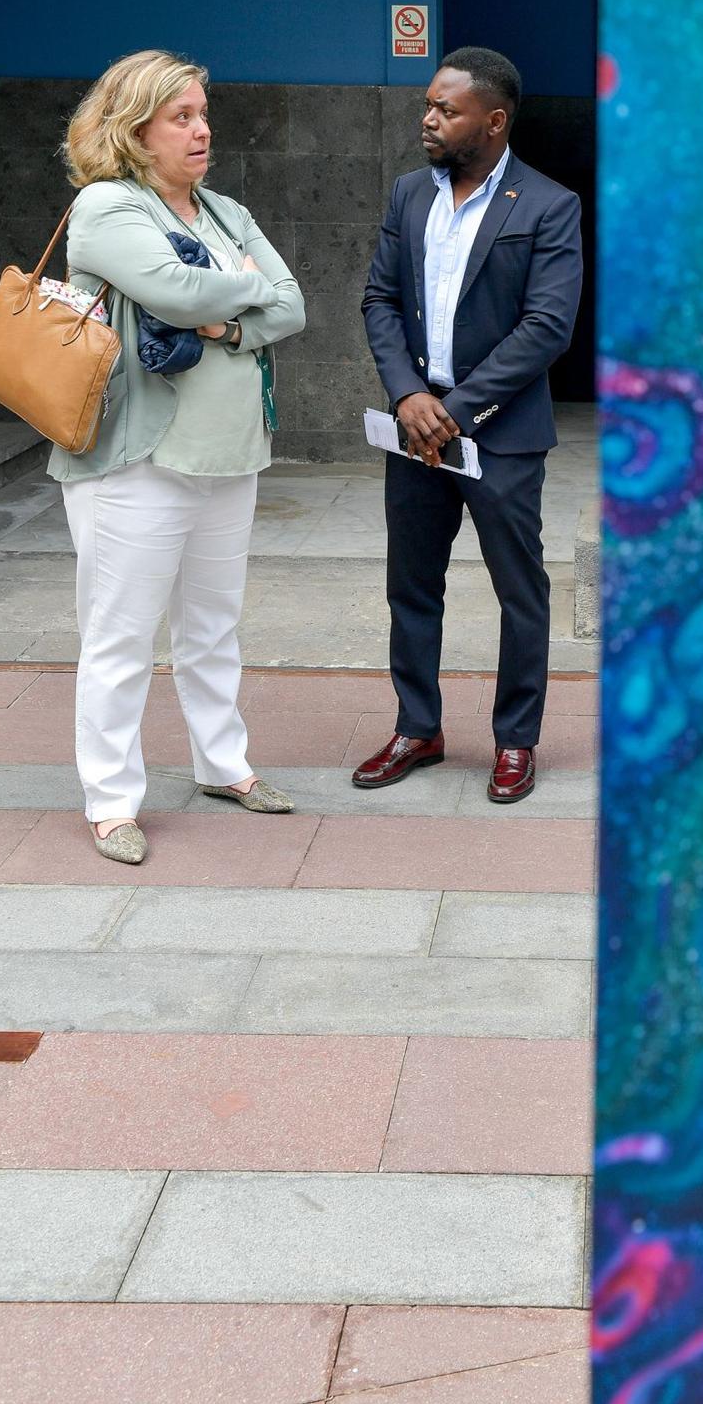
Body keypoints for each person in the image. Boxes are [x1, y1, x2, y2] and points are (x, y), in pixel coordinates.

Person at [52, 49, 306, 863]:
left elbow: (293, 304)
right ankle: (111, 800)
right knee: (120, 635)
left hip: (230, 454)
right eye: (182, 118)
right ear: (135, 130)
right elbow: (175, 292)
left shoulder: (224, 212)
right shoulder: (106, 208)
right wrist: (242, 290)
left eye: (203, 114)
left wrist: (231, 318)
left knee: (212, 627)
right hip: (137, 460)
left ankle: (222, 766)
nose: (202, 131)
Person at [356, 46, 583, 804]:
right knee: (411, 586)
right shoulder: (407, 196)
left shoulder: (549, 206)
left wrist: (451, 412)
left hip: (502, 435)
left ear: (492, 120)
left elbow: (546, 328)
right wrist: (407, 396)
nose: (428, 118)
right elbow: (378, 302)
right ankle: (417, 727)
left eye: (445, 109)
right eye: (428, 104)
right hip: (414, 432)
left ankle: (515, 740)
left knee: (521, 592)